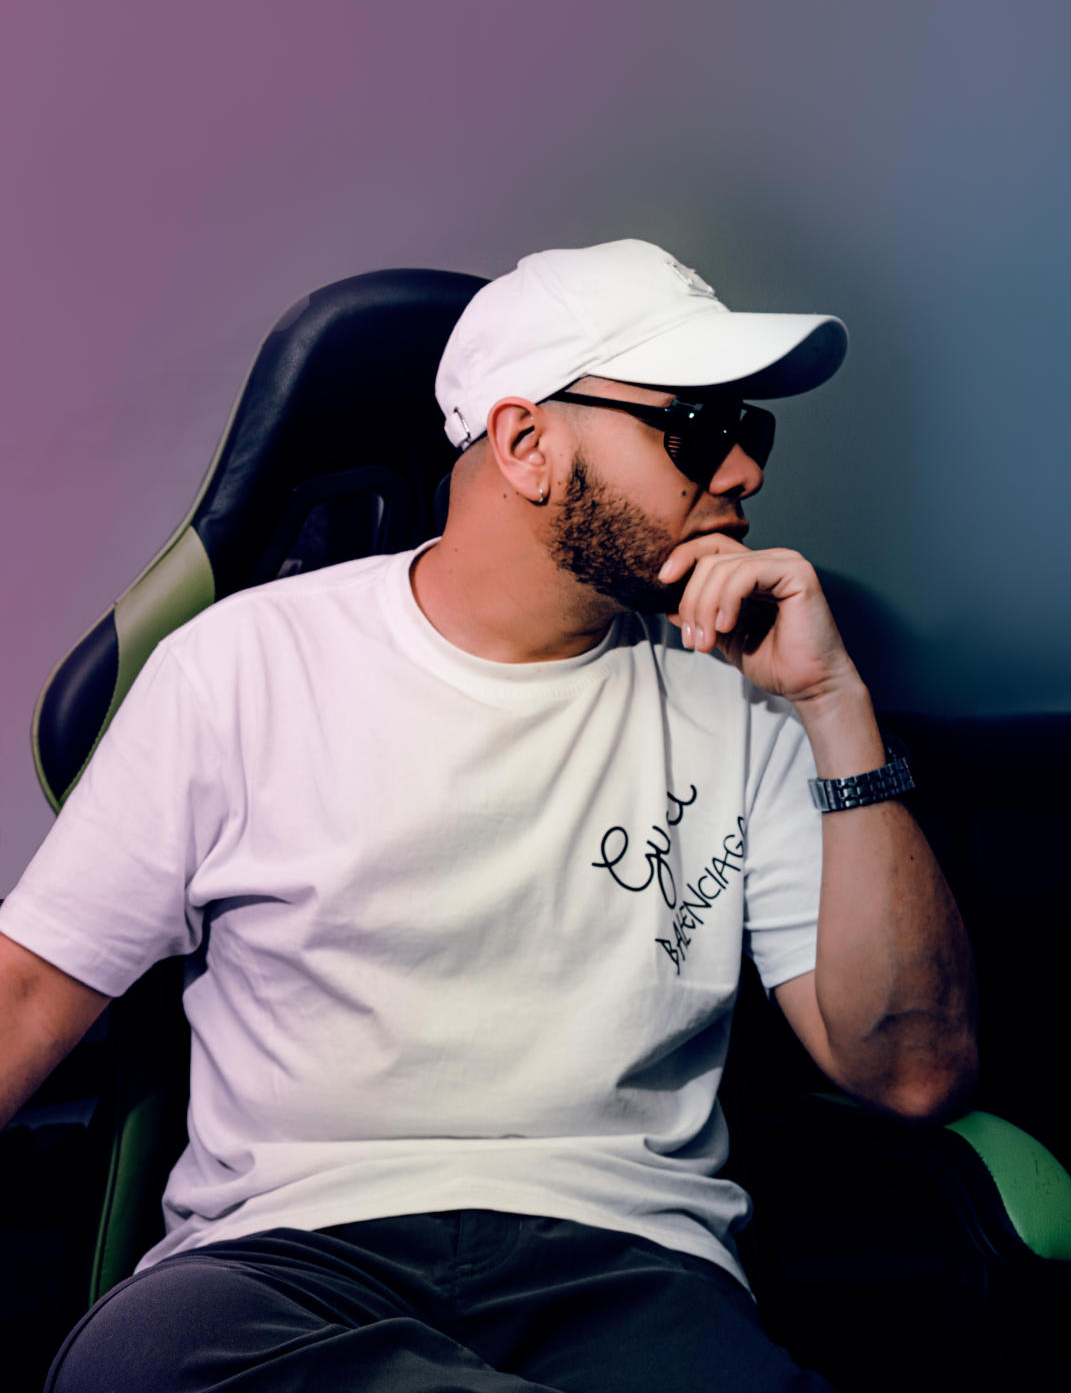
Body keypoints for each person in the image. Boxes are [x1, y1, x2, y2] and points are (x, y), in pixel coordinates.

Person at [0, 238, 977, 1392]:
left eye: (749, 430)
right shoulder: (238, 668)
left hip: (626, 1276)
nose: (743, 472)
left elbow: (912, 1072)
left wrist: (831, 704)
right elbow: (26, 999)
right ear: (524, 444)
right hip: (282, 1270)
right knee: (133, 1366)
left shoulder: (746, 701)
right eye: (694, 427)